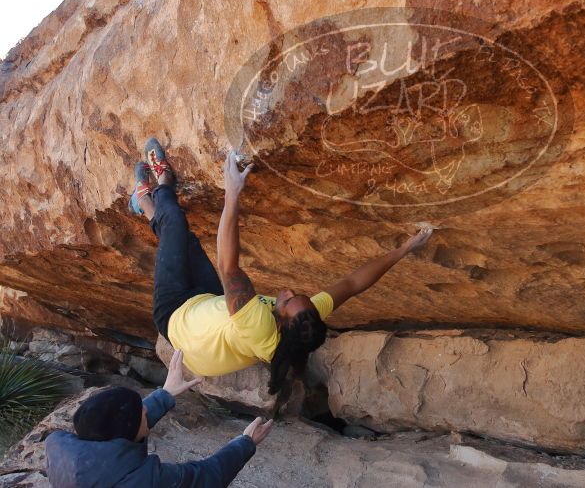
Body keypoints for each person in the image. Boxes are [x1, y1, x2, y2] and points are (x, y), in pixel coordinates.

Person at [129, 138, 433, 394]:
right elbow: (352, 285)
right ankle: (144, 204)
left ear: (283, 324)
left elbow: (228, 265)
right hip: (209, 311)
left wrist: (232, 192)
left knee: (176, 224)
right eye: (295, 294)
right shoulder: (303, 322)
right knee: (185, 244)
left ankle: (160, 184)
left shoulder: (260, 328)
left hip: (176, 318)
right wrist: (404, 249)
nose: (285, 292)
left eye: (286, 301)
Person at [45, 350, 274, 487]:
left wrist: (164, 395)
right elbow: (204, 478)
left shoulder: (62, 450)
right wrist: (245, 443)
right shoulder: (144, 481)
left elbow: (120, 428)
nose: (145, 411)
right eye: (140, 413)